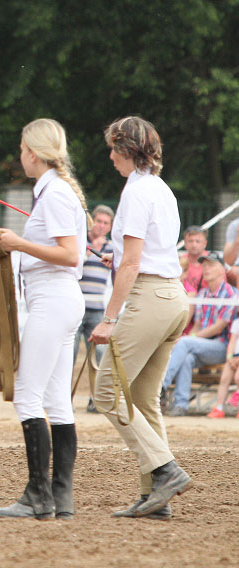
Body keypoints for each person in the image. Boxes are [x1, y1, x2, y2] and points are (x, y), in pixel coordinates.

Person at [89, 116, 192, 520]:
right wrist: (121, 257)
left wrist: (109, 318)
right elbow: (143, 253)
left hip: (150, 298)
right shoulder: (161, 189)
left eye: (114, 150)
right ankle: (155, 498)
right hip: (173, 298)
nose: (111, 157)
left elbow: (132, 264)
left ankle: (165, 470)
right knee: (145, 400)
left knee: (106, 393)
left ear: (127, 149)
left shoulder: (134, 193)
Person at [0, 119, 87, 520]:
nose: (20, 155)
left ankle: (38, 495)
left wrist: (18, 243)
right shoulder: (54, 192)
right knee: (57, 403)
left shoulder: (54, 195)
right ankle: (60, 496)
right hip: (58, 299)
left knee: (28, 397)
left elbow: (69, 254)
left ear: (33, 152)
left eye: (21, 149)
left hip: (53, 298)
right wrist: (8, 242)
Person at [161, 252, 236, 416]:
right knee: (186, 357)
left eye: (211, 265)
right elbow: (197, 325)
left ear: (222, 269)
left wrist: (190, 338)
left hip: (223, 346)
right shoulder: (203, 293)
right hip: (204, 346)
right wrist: (191, 338)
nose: (206, 268)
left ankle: (161, 385)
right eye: (205, 265)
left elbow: (218, 327)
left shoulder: (231, 294)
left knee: (184, 343)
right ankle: (181, 405)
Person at [75, 205, 114, 413]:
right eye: (98, 221)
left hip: (98, 308)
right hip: (77, 306)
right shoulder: (81, 242)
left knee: (99, 356)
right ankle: (64, 396)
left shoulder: (112, 248)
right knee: (70, 353)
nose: (100, 225)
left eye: (105, 223)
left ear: (109, 226)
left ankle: (96, 398)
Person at [206, 317, 239, 418]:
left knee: (238, 377)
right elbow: (232, 342)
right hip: (234, 356)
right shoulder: (236, 322)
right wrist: (229, 358)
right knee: (224, 379)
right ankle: (219, 408)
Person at [178, 226, 208, 297]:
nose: (194, 245)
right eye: (190, 241)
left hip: (205, 303)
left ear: (205, 244)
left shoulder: (213, 262)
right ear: (185, 243)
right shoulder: (179, 261)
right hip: (184, 300)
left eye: (198, 241)